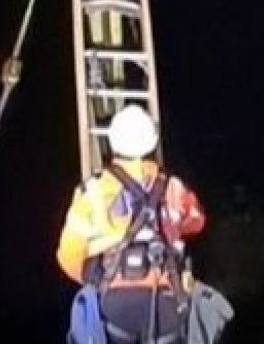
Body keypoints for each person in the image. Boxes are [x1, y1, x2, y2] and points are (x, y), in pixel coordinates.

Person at [57, 104, 206, 343]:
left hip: (117, 302)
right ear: (152, 142)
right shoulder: (173, 187)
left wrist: (97, 280)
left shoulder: (93, 190)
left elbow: (68, 255)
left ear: (114, 142)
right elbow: (197, 222)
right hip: (168, 301)